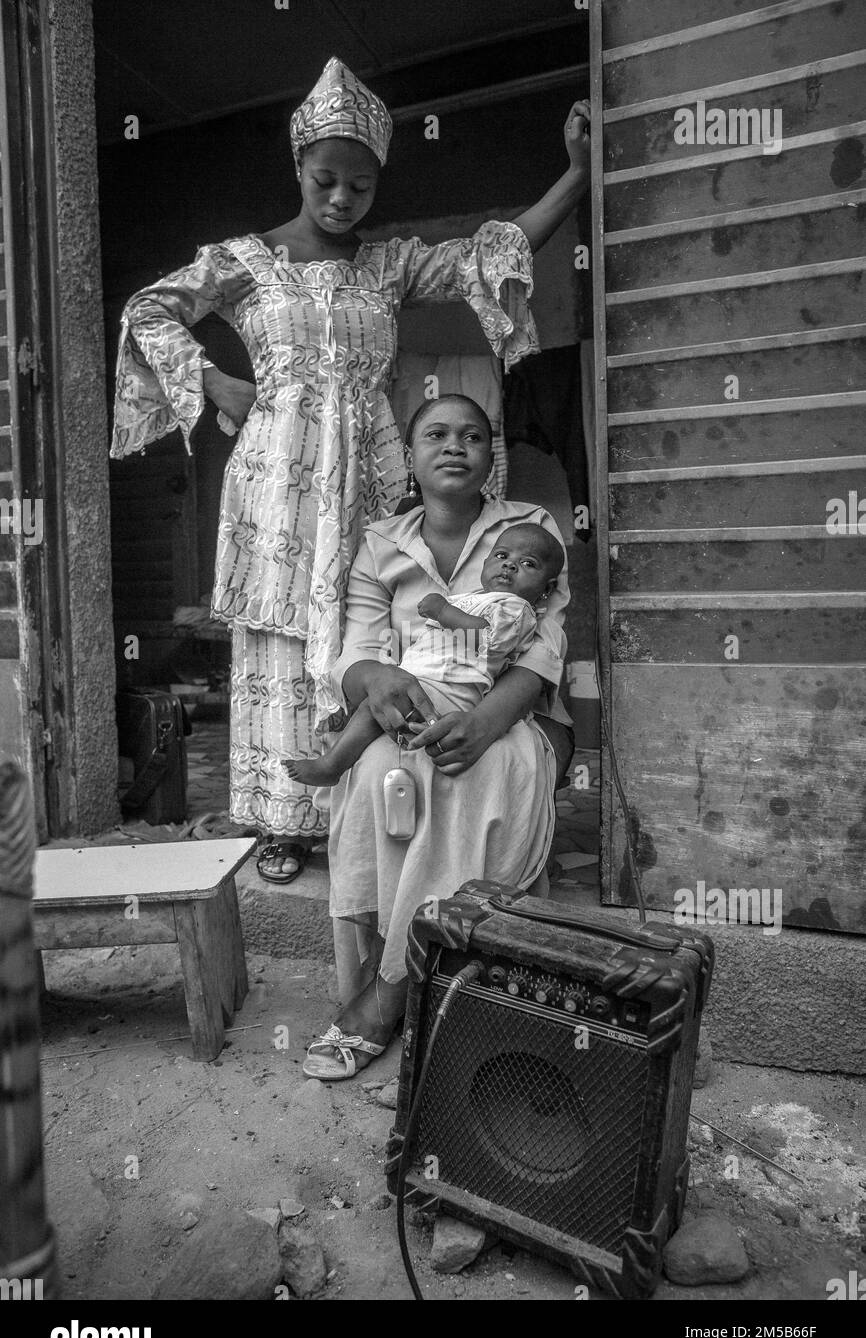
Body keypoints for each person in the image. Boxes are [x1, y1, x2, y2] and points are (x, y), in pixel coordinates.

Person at [111, 55, 590, 884]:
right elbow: (149, 308)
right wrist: (212, 377)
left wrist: (577, 178)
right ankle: (280, 821)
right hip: (277, 474)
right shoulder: (242, 261)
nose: (340, 200)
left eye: (360, 187)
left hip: (369, 467)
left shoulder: (390, 265)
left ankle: (367, 809)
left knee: (364, 625)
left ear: (377, 186)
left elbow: (493, 253)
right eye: (326, 180)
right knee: (282, 630)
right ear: (299, 167)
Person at [303, 395, 572, 1080]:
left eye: (473, 435)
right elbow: (357, 649)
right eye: (436, 434)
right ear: (412, 456)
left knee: (474, 768)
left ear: (491, 455)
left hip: (511, 713)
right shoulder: (381, 542)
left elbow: (544, 651)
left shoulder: (531, 527)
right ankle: (418, 974)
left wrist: (484, 723)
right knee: (377, 772)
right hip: (411, 707)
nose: (455, 446)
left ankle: (396, 990)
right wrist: (376, 677)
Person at [284, 521, 565, 786]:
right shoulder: (480, 598)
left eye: (528, 564)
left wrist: (444, 612)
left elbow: (489, 640)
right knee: (375, 708)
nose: (510, 565)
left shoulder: (517, 609)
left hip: (451, 689)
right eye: (501, 555)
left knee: (372, 709)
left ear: (547, 588)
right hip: (431, 681)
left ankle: (332, 766)